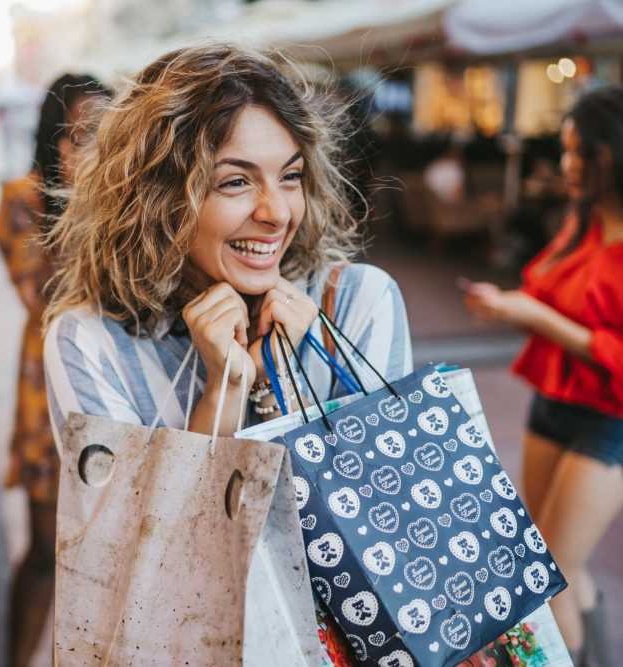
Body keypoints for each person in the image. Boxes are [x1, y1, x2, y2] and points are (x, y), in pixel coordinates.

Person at [42, 44, 412, 660]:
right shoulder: (91, 344)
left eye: (289, 176)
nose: (276, 213)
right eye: (236, 182)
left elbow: (393, 531)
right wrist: (223, 392)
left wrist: (295, 386)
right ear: (158, 195)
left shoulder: (356, 305)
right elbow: (144, 580)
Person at [463, 85, 623, 667]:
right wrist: (509, 305)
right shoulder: (582, 224)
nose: (568, 164)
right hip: (554, 403)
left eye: (583, 153)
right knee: (559, 565)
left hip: (610, 422)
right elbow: (551, 296)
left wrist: (536, 317)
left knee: (548, 574)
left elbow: (566, 322)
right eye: (567, 149)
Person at [0, 72, 109, 667]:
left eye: (104, 134)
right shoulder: (23, 200)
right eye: (81, 134)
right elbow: (49, 294)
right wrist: (80, 198)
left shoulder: (123, 202)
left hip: (111, 388)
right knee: (44, 548)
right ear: (55, 138)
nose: (94, 148)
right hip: (47, 388)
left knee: (103, 552)